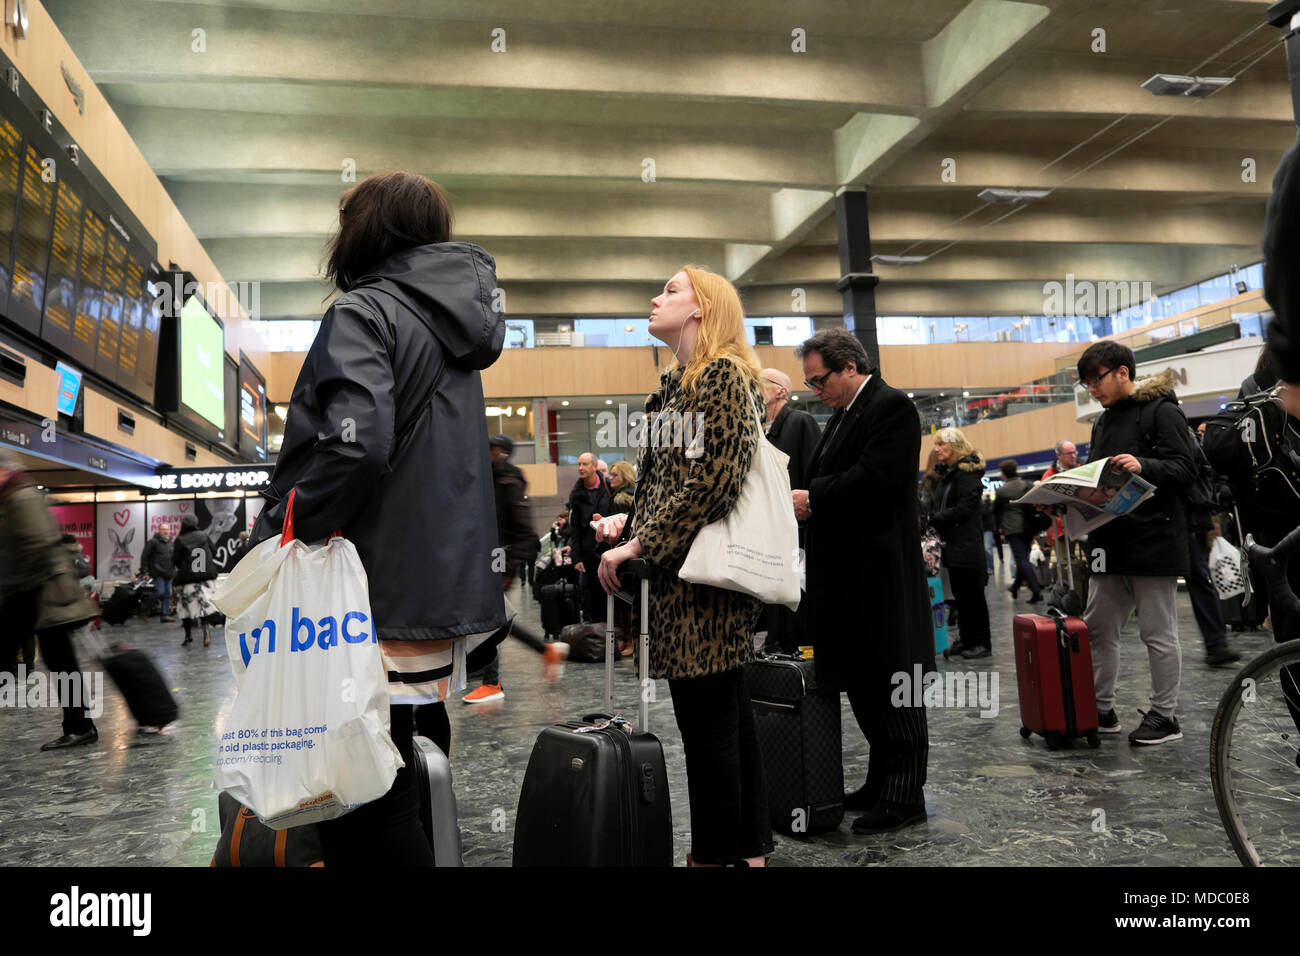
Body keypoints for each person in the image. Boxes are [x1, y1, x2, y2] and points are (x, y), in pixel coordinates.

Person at [248, 171, 508, 866]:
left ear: (366, 227)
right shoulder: (453, 323)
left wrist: (288, 522)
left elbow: (355, 447)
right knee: (415, 737)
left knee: (362, 783)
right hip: (437, 583)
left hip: (371, 584)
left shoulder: (365, 311)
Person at [595, 265, 774, 867]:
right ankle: (747, 848)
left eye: (671, 290)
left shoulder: (722, 375)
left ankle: (714, 856)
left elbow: (713, 484)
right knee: (727, 721)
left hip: (703, 583)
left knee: (708, 731)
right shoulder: (678, 382)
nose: (656, 297)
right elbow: (675, 481)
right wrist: (629, 524)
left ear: (703, 308)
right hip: (689, 574)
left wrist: (640, 545)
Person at [791, 328, 931, 834]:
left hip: (882, 578)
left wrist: (814, 498)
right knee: (866, 688)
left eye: (820, 379)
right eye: (809, 382)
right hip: (850, 581)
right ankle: (879, 783)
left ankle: (905, 796)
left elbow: (879, 480)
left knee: (896, 688)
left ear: (850, 366)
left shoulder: (891, 406)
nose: (815, 390)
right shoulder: (842, 416)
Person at [1077, 342, 1197, 746]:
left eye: (1097, 379)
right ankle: (1101, 709)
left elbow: (1187, 468)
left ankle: (1165, 716)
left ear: (1123, 372)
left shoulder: (1161, 410)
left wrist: (1144, 464)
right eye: (1086, 382)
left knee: (1157, 632)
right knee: (1098, 628)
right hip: (1109, 538)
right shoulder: (1101, 422)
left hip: (1154, 537)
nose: (1091, 389)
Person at [0, 451, 100, 751]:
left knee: (57, 660)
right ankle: (80, 725)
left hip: (38, 592)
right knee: (60, 660)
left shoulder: (20, 496)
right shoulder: (13, 495)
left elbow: (40, 542)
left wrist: (15, 583)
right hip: (34, 591)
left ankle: (80, 725)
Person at [463, 435, 568, 702]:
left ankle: (492, 681)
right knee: (495, 622)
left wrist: (508, 570)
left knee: (492, 622)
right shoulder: (494, 478)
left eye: (489, 448)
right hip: (489, 562)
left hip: (499, 564)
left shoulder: (507, 480)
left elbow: (522, 530)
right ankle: (543, 653)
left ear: (499, 451)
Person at [760, 367, 819, 654]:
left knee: (798, 593)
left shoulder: (801, 422)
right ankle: (776, 642)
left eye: (760, 383)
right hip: (769, 531)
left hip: (798, 531)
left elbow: (814, 474)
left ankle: (800, 650)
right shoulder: (759, 430)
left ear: (781, 390)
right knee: (773, 590)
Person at [928, 428, 993, 659]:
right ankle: (966, 639)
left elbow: (964, 509)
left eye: (941, 445)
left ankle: (981, 643)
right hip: (955, 545)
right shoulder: (951, 475)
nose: (936, 450)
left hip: (966, 545)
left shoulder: (966, 475)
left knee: (973, 597)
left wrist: (934, 519)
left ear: (954, 447)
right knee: (962, 597)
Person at [1185, 429, 1239, 667]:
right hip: (1193, 517)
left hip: (1189, 519)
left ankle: (1216, 643)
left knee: (1199, 577)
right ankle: (1216, 643)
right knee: (1199, 578)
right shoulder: (1185, 434)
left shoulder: (1176, 431)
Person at [563, 452, 614, 623]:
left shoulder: (608, 487)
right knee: (590, 596)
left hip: (609, 551)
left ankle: (612, 629)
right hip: (588, 553)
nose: (581, 468)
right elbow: (574, 528)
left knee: (610, 593)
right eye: (579, 464)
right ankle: (596, 633)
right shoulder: (576, 494)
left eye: (584, 464)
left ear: (594, 466)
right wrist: (576, 557)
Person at [994, 459, 1042, 604]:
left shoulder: (1002, 491)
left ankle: (1036, 590)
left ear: (1003, 474)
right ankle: (1015, 587)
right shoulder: (1025, 485)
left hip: (1012, 528)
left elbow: (995, 510)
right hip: (1027, 527)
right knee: (1023, 559)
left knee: (1021, 559)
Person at [172, 513, 219, 647]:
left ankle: (188, 636)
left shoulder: (180, 540)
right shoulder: (204, 535)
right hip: (205, 578)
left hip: (187, 579)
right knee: (204, 607)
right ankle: (206, 633)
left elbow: (175, 560)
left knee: (185, 608)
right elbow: (214, 551)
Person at [140, 524, 176, 622]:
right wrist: (145, 571)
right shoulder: (153, 542)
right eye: (163, 529)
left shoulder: (171, 543)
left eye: (167, 529)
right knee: (160, 592)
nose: (165, 531)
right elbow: (145, 556)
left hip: (169, 572)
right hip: (158, 572)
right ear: (159, 530)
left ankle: (164, 616)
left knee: (168, 593)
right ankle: (144, 610)